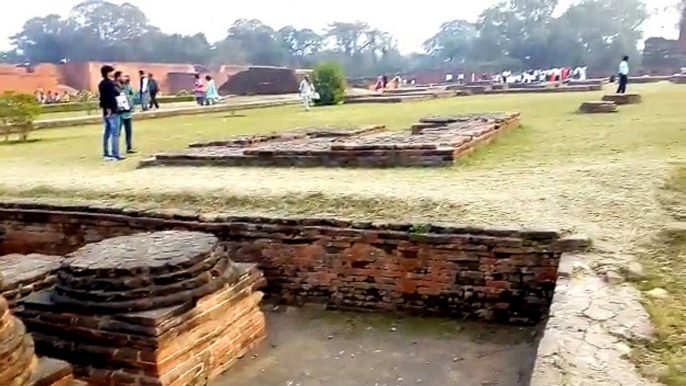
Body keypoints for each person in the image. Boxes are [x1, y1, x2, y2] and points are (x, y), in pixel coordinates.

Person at [98, 65, 122, 161]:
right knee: (115, 133)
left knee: (107, 132)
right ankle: (115, 154)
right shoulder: (110, 84)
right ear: (108, 73)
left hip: (106, 110)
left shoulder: (101, 84)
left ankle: (106, 152)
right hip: (112, 110)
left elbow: (102, 98)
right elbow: (117, 93)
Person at [118, 74, 136, 154]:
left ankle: (129, 147)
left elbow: (133, 95)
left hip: (128, 112)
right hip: (120, 113)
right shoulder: (117, 88)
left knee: (129, 131)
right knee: (117, 132)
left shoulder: (128, 87)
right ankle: (115, 148)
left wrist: (129, 98)